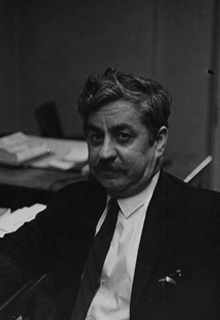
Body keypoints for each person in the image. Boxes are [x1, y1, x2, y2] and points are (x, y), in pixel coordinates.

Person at [0, 68, 220, 320]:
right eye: (96, 136)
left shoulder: (205, 219)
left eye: (122, 136)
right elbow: (15, 254)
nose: (104, 153)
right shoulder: (74, 201)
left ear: (158, 141)